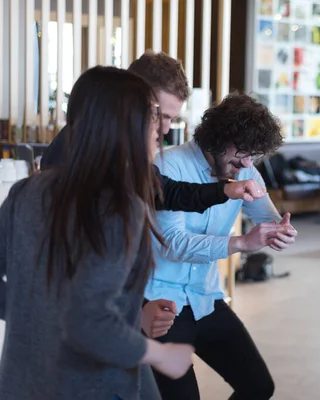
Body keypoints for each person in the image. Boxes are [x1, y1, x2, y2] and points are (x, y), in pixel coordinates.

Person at [39, 50, 264, 344]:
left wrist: (224, 190)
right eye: (160, 115)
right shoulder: (73, 160)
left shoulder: (124, 156)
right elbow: (81, 272)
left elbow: (166, 191)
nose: (165, 129)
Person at [0, 66, 194, 400]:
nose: (159, 132)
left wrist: (40, 314)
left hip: (21, 382)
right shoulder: (118, 208)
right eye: (151, 117)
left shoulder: (26, 191)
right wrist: (159, 354)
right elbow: (88, 322)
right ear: (124, 125)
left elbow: (72, 305)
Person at [147, 92, 297, 400]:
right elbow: (171, 244)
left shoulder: (246, 169)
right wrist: (241, 242)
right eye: (241, 151)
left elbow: (267, 218)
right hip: (159, 302)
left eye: (253, 156)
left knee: (258, 387)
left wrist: (279, 231)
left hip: (205, 297)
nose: (245, 163)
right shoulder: (169, 165)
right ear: (217, 138)